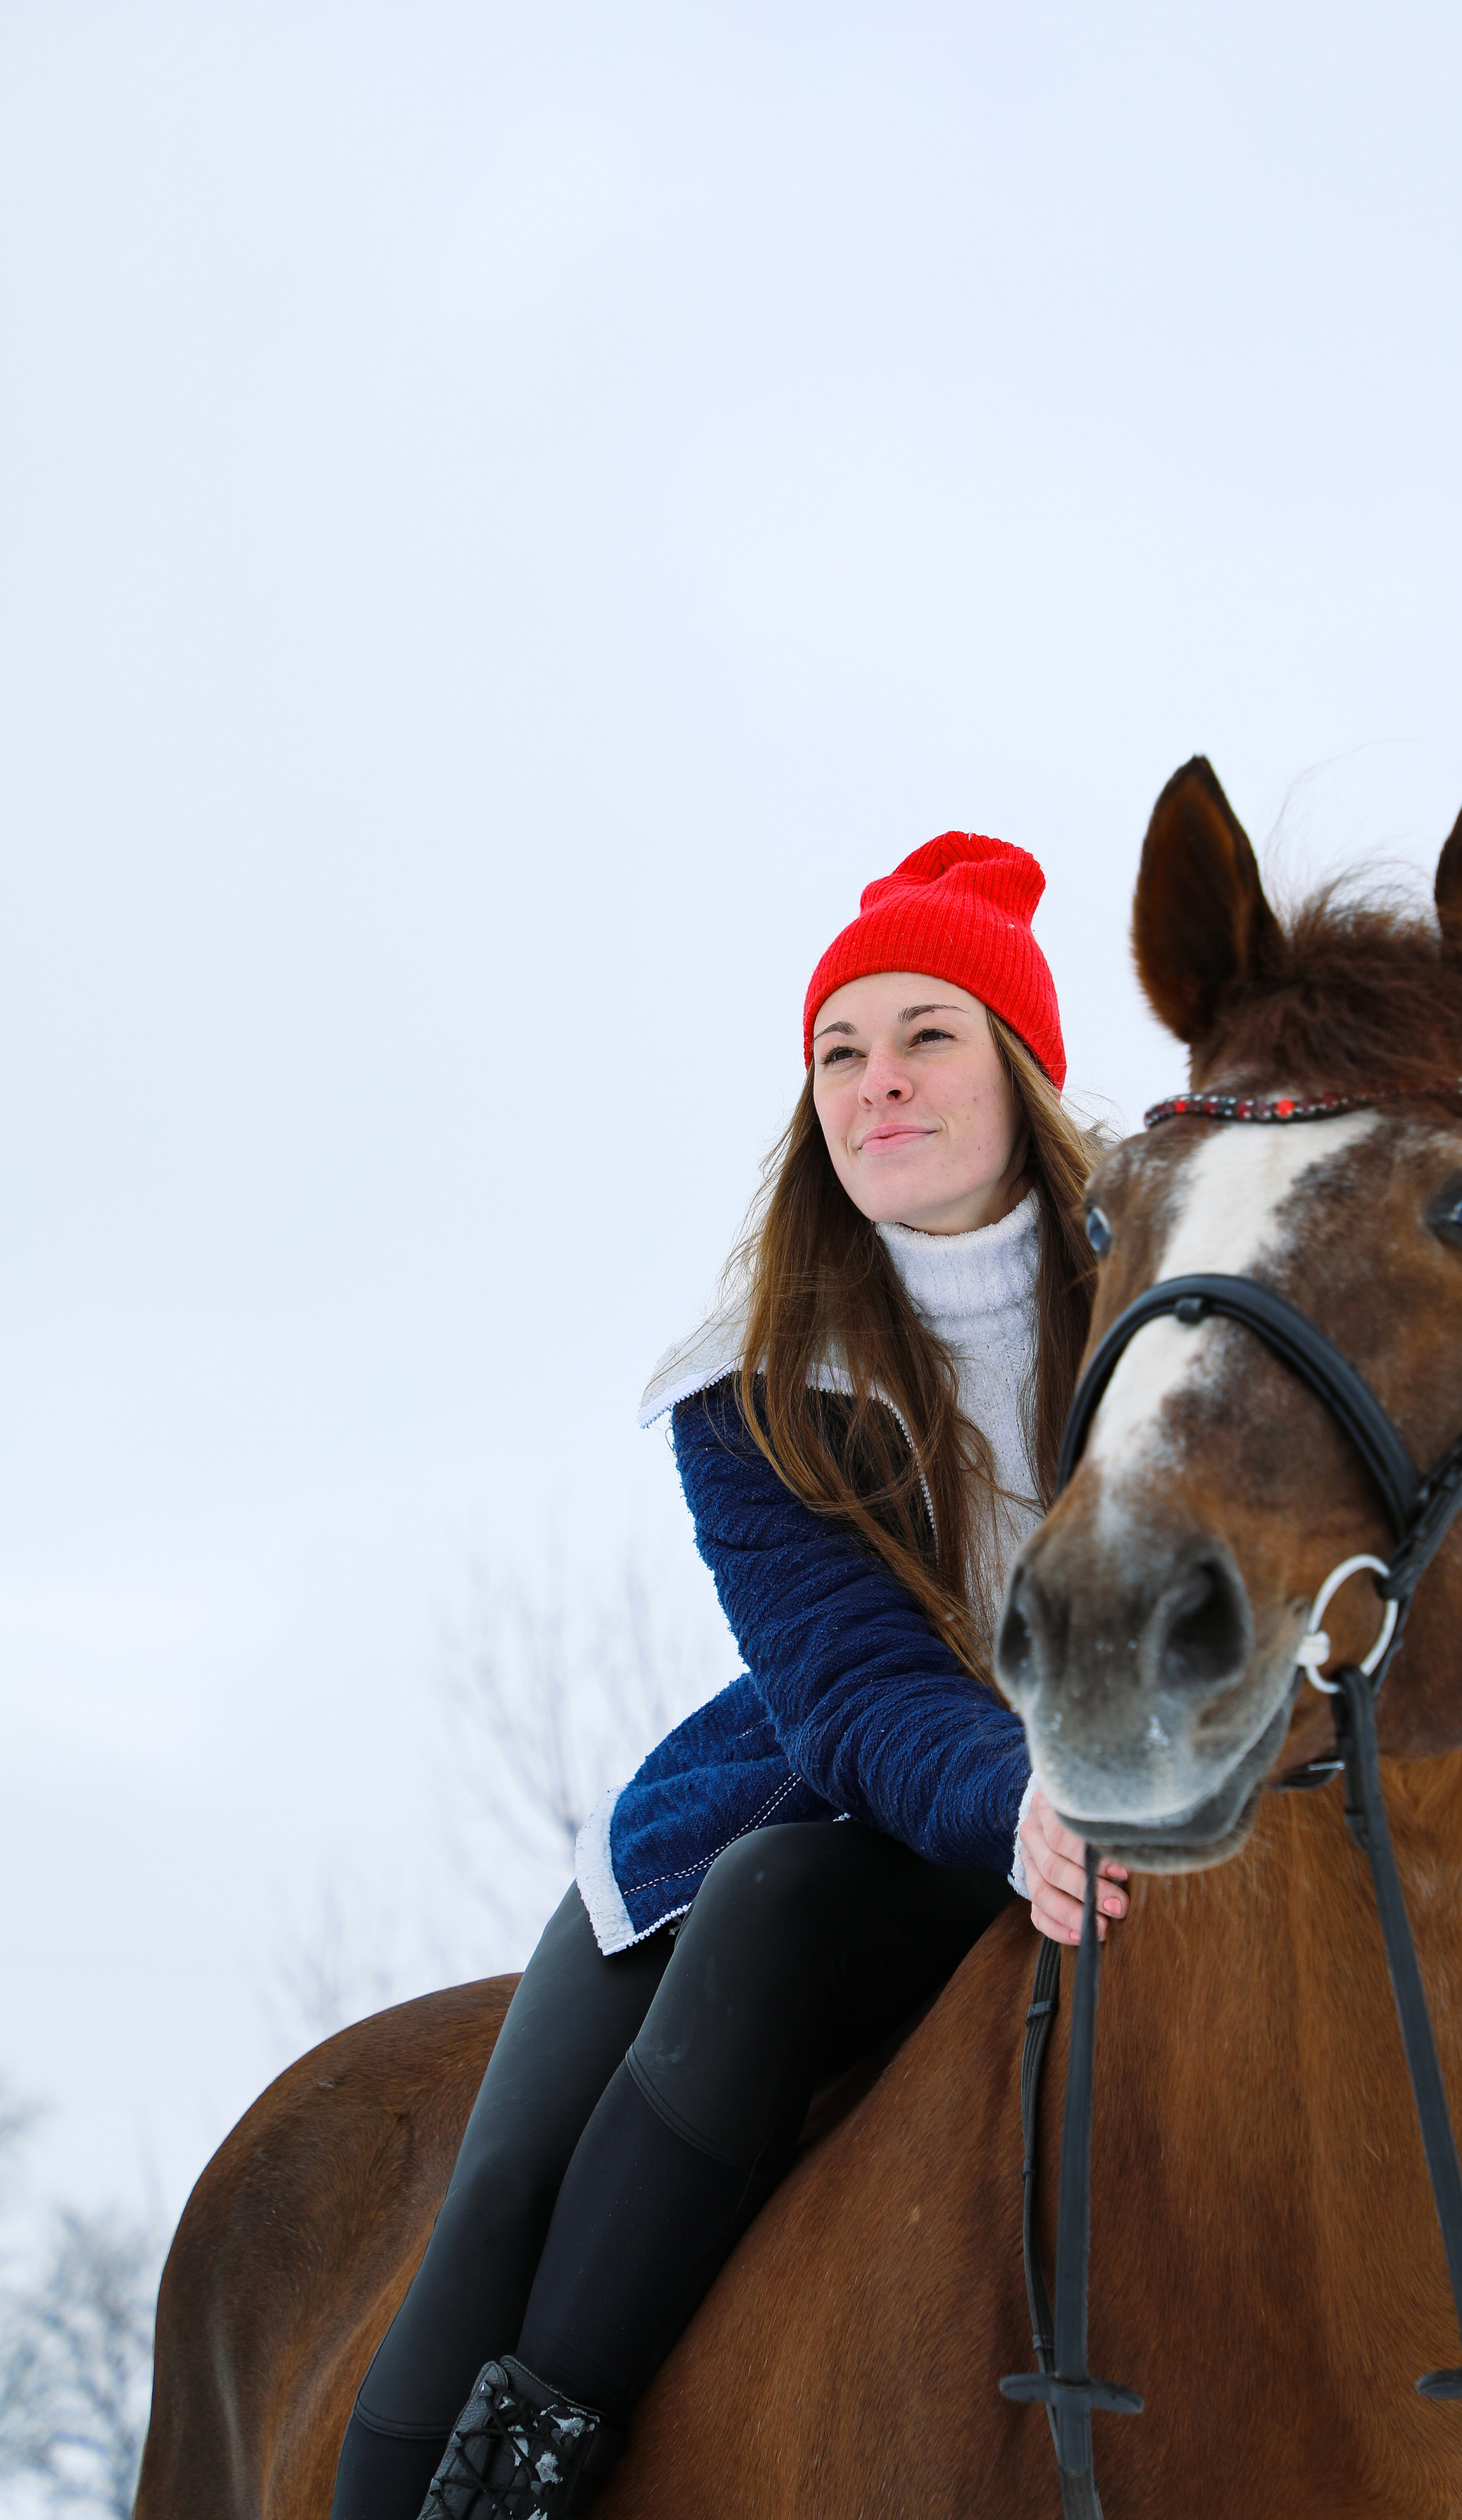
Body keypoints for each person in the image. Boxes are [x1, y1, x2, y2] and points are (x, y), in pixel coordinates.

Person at [327, 832, 1132, 2520]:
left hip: (1124, 1808)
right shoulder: (754, 1380)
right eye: (838, 1051)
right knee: (498, 2195)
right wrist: (1016, 1797)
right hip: (844, 1805)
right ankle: (511, 2470)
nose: (873, 1083)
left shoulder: (1152, 1302)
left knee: (783, 1900)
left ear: (1023, 1071)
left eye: (925, 1035)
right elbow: (846, 1690)